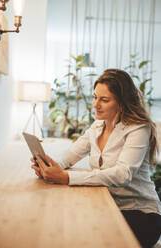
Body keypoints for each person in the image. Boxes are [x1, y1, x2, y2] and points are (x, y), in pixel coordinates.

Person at [31, 69, 161, 248]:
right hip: (109, 205)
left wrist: (66, 177)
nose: (96, 104)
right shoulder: (97, 126)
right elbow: (70, 156)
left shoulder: (138, 129)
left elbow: (122, 174)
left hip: (140, 214)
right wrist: (49, 167)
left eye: (104, 100)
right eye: (95, 97)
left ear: (122, 103)